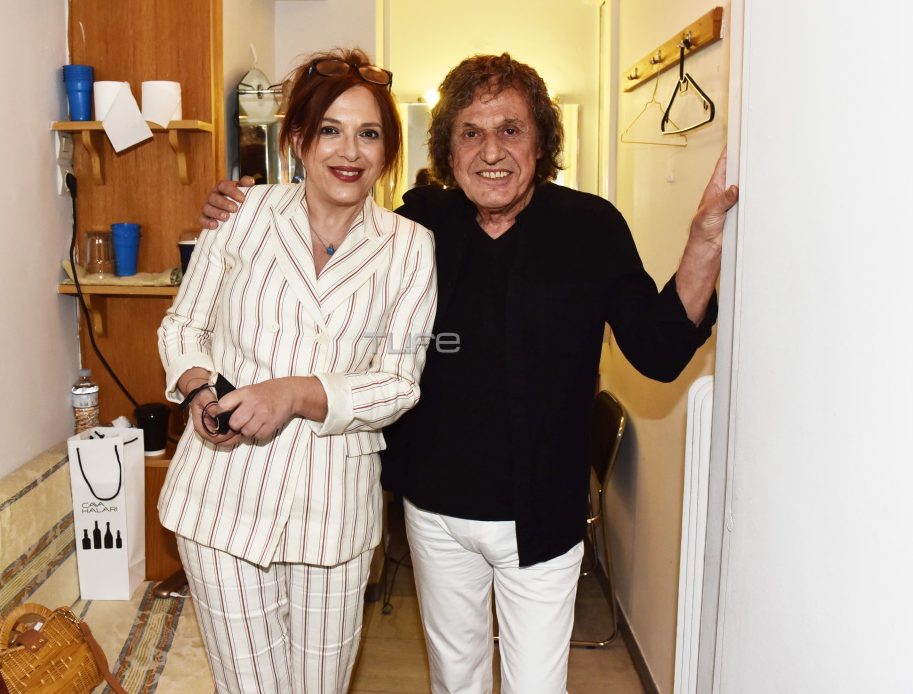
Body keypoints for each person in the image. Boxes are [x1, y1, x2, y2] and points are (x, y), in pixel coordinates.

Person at [200, 52, 738, 694]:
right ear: (449, 149)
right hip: (435, 512)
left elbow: (659, 349)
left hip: (541, 514)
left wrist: (705, 240)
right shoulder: (420, 224)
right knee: (456, 680)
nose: (491, 151)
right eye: (471, 132)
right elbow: (333, 210)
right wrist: (243, 208)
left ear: (541, 142)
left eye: (511, 129)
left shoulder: (590, 227)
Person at [157, 47, 438, 694]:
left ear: (388, 151)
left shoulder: (409, 247)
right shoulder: (241, 215)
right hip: (221, 499)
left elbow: (400, 381)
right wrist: (199, 388)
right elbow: (183, 326)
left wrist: (296, 393)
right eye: (331, 130)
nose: (350, 151)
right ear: (299, 139)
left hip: (333, 512)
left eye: (369, 134)